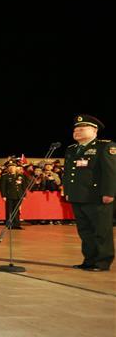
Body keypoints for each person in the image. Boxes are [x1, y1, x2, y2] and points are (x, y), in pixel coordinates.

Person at [63, 115, 115, 272]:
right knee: (85, 231)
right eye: (75, 129)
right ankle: (89, 260)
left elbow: (110, 172)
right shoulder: (72, 149)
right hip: (78, 196)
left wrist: (109, 193)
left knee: (101, 231)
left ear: (94, 130)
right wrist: (68, 192)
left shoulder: (104, 147)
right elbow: (69, 173)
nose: (77, 131)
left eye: (81, 128)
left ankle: (102, 262)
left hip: (97, 196)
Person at [0, 160, 28, 229]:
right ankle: (9, 224)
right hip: (9, 196)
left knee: (17, 211)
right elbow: (2, 187)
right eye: (10, 167)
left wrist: (24, 195)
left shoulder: (20, 176)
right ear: (8, 168)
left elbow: (23, 186)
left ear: (16, 168)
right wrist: (3, 195)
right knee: (9, 210)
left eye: (13, 167)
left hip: (18, 195)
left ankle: (17, 224)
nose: (12, 168)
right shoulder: (5, 176)